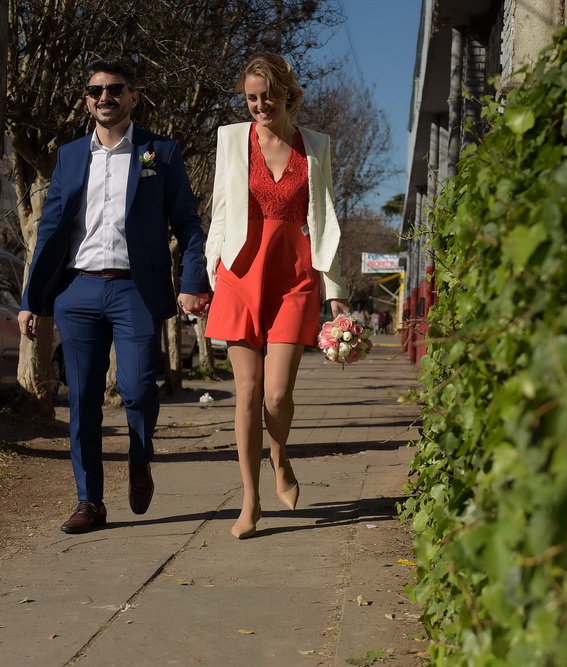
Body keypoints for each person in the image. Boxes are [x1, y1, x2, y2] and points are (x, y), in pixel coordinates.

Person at [18, 58, 210, 534]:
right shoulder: (69, 156)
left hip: (135, 290)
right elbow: (49, 232)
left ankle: (139, 459)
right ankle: (90, 501)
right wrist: (32, 299)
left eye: (114, 89)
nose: (104, 97)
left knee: (139, 389)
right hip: (78, 290)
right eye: (94, 91)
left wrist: (192, 281)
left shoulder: (158, 153)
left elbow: (187, 223)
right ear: (87, 100)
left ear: (132, 97)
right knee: (81, 398)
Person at [204, 53, 351, 539]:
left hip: (293, 274)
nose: (260, 105)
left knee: (277, 393)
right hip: (241, 272)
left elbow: (325, 219)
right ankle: (250, 499)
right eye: (251, 97)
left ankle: (280, 453)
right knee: (246, 393)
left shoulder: (316, 146)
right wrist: (212, 273)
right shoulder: (231, 139)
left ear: (289, 94)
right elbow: (221, 210)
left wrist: (336, 291)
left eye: (268, 96)